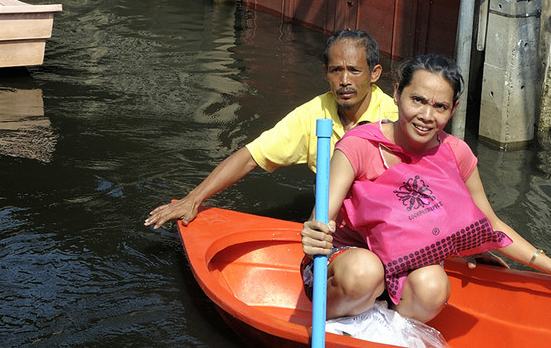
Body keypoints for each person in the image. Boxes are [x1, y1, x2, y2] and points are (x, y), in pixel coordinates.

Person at [301, 54, 551, 324]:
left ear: (454, 109)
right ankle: (337, 325)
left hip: (403, 263)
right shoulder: (358, 145)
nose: (426, 116)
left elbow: (490, 224)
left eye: (440, 106)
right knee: (364, 270)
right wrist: (315, 232)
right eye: (418, 100)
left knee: (433, 286)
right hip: (342, 267)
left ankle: (385, 330)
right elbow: (321, 219)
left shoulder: (455, 152)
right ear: (397, 94)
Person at [144, 29, 399, 229]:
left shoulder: (395, 117)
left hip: (384, 214)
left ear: (374, 74)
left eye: (354, 71)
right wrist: (193, 199)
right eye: (336, 71)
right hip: (332, 218)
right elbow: (251, 156)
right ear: (325, 73)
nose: (345, 81)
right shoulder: (312, 113)